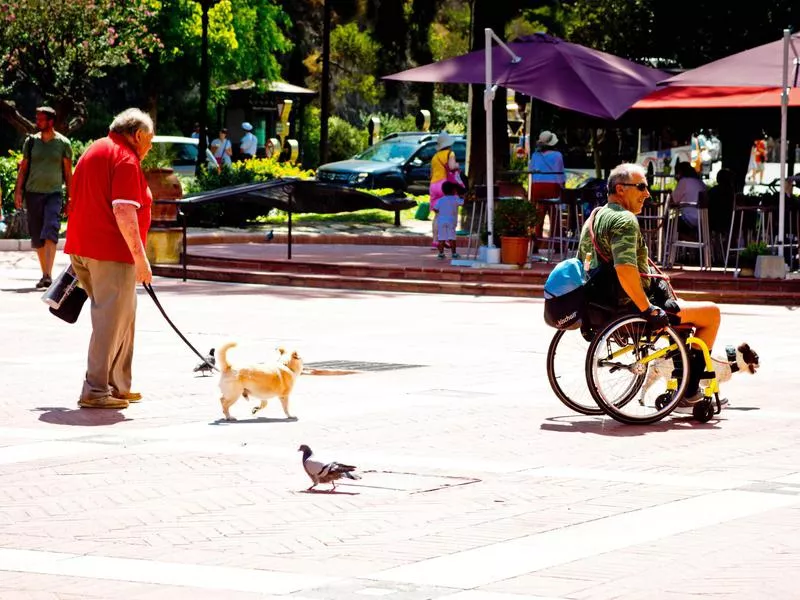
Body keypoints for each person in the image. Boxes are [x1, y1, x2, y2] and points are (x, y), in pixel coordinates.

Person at [577, 162, 722, 407]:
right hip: (632, 307)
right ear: (621, 189)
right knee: (711, 314)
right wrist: (648, 309)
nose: (647, 193)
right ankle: (689, 389)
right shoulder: (624, 220)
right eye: (641, 187)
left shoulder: (595, 216)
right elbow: (624, 270)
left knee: (682, 313)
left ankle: (682, 370)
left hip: (602, 305)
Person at [63, 108, 155, 410]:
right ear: (138, 135)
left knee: (123, 317)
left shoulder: (96, 149)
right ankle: (96, 389)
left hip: (84, 248)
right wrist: (141, 259)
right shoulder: (125, 158)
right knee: (110, 320)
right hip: (111, 252)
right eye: (150, 140)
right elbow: (124, 212)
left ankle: (118, 385)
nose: (150, 148)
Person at [13, 106, 73, 288]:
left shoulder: (63, 144)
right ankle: (45, 273)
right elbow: (23, 169)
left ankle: (48, 274)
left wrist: (70, 199)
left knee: (51, 229)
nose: (37, 122)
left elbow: (68, 173)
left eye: (41, 119)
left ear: (51, 122)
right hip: (33, 193)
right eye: (37, 118)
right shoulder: (31, 142)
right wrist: (18, 191)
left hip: (54, 194)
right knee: (37, 235)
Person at [529, 130, 565, 251]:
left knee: (538, 216)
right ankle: (557, 244)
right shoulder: (558, 156)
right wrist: (562, 186)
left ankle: (535, 243)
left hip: (537, 186)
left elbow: (531, 170)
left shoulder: (535, 155)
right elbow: (560, 173)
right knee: (554, 215)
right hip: (552, 186)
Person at [429, 131, 461, 249]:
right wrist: (457, 165)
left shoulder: (434, 157)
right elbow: (452, 167)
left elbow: (431, 173)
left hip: (433, 185)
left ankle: (435, 241)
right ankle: (446, 239)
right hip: (444, 185)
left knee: (437, 215)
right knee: (448, 214)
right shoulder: (450, 153)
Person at [671, 161, 708, 235]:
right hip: (704, 219)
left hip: (690, 219)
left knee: (666, 223)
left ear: (679, 172)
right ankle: (693, 243)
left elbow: (673, 201)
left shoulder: (684, 181)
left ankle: (692, 242)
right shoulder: (700, 182)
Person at [435, 181, 464, 260]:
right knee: (452, 237)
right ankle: (454, 253)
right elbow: (462, 203)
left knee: (441, 238)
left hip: (441, 221)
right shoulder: (455, 198)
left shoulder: (440, 200)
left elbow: (435, 209)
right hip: (451, 220)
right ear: (453, 190)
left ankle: (441, 254)